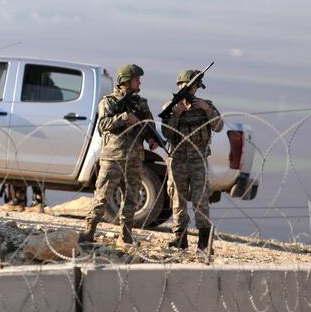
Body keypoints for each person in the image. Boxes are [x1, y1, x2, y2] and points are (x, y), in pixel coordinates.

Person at [78, 63, 159, 248]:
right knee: (103, 195)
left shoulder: (141, 103)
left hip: (135, 157)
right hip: (113, 156)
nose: (139, 81)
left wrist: (152, 140)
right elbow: (103, 124)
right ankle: (89, 231)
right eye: (136, 79)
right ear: (126, 81)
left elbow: (148, 126)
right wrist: (124, 118)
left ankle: (126, 234)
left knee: (131, 197)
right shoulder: (109, 102)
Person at [162, 69, 223, 251]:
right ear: (179, 86)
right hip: (178, 160)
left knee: (200, 199)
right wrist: (177, 115)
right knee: (177, 199)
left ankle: (204, 241)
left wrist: (207, 109)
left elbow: (219, 126)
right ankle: (180, 238)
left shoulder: (205, 106)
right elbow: (167, 134)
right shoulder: (170, 107)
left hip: (198, 159)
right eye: (186, 86)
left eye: (194, 87)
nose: (190, 90)